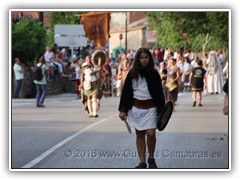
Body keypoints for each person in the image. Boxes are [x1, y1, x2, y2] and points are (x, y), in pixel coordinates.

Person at [118, 47, 165, 168]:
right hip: (136, 108)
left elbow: (159, 93)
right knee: (139, 134)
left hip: (151, 108)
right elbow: (126, 92)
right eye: (141, 58)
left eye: (146, 57)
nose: (144, 60)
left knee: (150, 133)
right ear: (138, 59)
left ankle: (151, 158)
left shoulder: (154, 74)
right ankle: (142, 161)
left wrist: (162, 110)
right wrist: (123, 109)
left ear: (149, 59)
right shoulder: (132, 73)